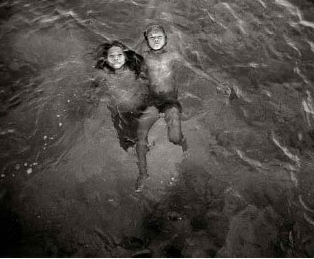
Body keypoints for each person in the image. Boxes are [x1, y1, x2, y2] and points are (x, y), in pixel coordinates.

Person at [134, 24, 230, 187]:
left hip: (171, 102)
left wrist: (217, 83)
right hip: (152, 102)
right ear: (146, 40)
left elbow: (196, 68)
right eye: (152, 37)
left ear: (165, 39)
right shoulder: (144, 59)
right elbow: (135, 75)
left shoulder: (173, 55)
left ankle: (183, 144)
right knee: (140, 135)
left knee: (174, 138)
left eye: (159, 37)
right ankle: (143, 174)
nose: (156, 40)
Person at [92, 41, 151, 191]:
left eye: (119, 55)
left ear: (125, 57)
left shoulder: (133, 69)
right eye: (112, 56)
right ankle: (140, 153)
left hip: (139, 108)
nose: (116, 58)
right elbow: (94, 91)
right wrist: (92, 103)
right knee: (125, 143)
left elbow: (147, 83)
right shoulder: (102, 73)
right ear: (105, 59)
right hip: (119, 112)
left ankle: (143, 173)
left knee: (140, 140)